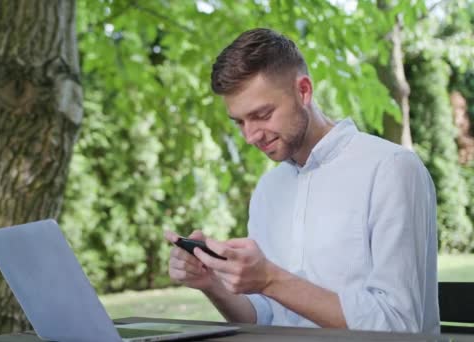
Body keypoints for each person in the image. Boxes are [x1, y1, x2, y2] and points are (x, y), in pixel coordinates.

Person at [164, 28, 439, 333]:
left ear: (304, 91)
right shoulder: (268, 190)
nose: (250, 136)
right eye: (240, 122)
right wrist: (211, 284)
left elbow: (398, 326)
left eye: (262, 114)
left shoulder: (391, 169)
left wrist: (270, 278)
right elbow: (267, 317)